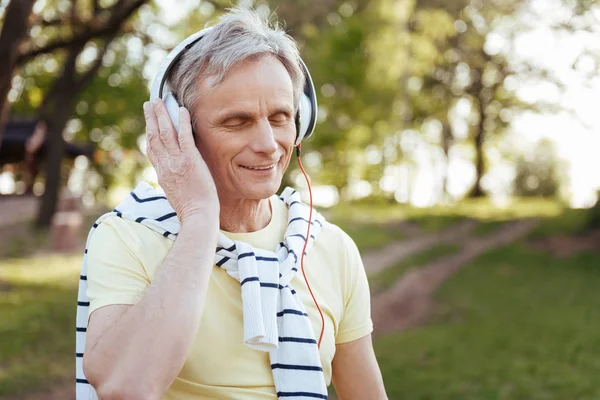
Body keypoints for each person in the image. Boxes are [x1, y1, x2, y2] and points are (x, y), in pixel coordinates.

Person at [79, 7, 387, 400]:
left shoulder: (331, 246)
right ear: (179, 130)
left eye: (279, 118)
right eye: (236, 122)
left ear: (301, 121)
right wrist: (200, 218)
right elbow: (126, 385)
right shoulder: (126, 236)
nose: (266, 143)